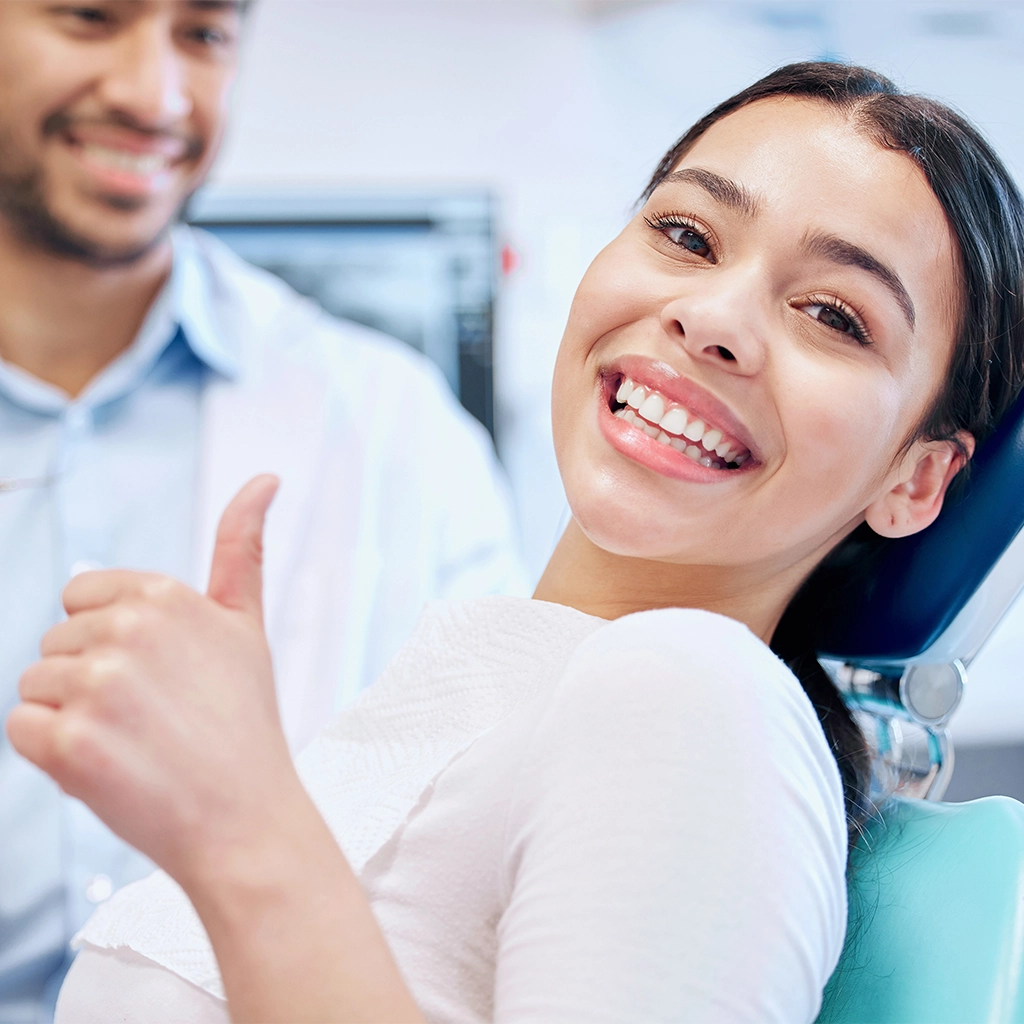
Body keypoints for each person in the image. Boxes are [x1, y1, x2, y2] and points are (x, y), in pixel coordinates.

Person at [10, 61, 1024, 1023]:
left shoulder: (695, 694)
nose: (710, 318)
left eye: (832, 315)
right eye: (684, 232)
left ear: (915, 479)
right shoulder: (487, 686)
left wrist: (240, 825)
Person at [0, 1, 524, 1019]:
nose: (153, 96)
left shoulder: (396, 431)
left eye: (202, 35)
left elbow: (480, 867)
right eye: (90, 17)